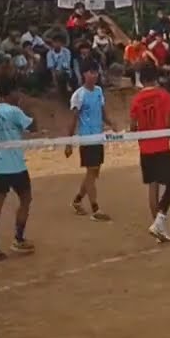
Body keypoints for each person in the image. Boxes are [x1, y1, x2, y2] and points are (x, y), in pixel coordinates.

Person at [0, 79, 37, 263]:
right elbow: (33, 126)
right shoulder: (14, 111)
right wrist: (28, 108)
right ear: (11, 93)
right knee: (26, 198)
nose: (19, 96)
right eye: (17, 92)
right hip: (14, 165)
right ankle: (18, 239)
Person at [129, 62, 170, 242]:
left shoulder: (136, 100)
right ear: (155, 78)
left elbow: (133, 126)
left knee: (153, 186)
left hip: (145, 148)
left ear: (141, 80)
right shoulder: (163, 95)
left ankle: (158, 227)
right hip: (162, 147)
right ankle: (159, 221)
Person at [65, 63, 114, 221]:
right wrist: (69, 142)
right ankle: (95, 209)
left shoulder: (99, 91)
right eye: (90, 72)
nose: (94, 76)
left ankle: (77, 200)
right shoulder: (79, 95)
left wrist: (113, 125)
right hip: (87, 138)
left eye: (96, 73)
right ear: (84, 74)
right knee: (92, 173)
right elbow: (73, 119)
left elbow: (103, 113)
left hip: (99, 137)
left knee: (93, 173)